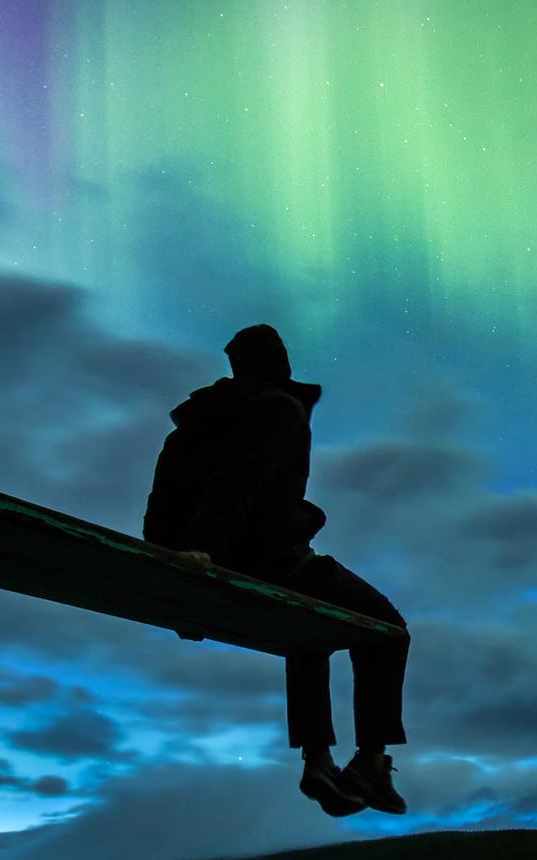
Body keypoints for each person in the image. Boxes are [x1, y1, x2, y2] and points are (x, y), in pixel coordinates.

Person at [144, 324, 409, 817]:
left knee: (309, 627)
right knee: (389, 628)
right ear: (274, 361)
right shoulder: (276, 408)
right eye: (279, 353)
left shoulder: (195, 420)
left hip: (212, 558)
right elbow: (239, 479)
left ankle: (319, 760)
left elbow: (164, 495)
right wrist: (202, 549)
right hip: (263, 554)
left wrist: (170, 569)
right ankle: (370, 758)